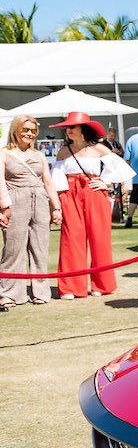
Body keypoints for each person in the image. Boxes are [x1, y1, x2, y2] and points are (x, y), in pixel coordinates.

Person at [51, 112, 127, 298]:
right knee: (71, 239)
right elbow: (56, 178)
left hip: (94, 192)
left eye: (72, 127)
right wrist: (59, 202)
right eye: (67, 128)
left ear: (83, 129)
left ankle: (101, 285)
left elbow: (121, 167)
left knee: (99, 237)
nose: (68, 131)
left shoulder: (98, 148)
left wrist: (105, 182)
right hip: (70, 194)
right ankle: (70, 287)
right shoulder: (63, 151)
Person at [1, 116, 60, 308]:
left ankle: (40, 291)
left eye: (33, 131)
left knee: (40, 248)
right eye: (25, 129)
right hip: (15, 200)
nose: (29, 134)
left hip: (40, 201)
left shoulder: (39, 155)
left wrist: (56, 207)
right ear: (16, 129)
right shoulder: (4, 154)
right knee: (13, 249)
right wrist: (4, 208)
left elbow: (48, 182)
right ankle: (10, 294)